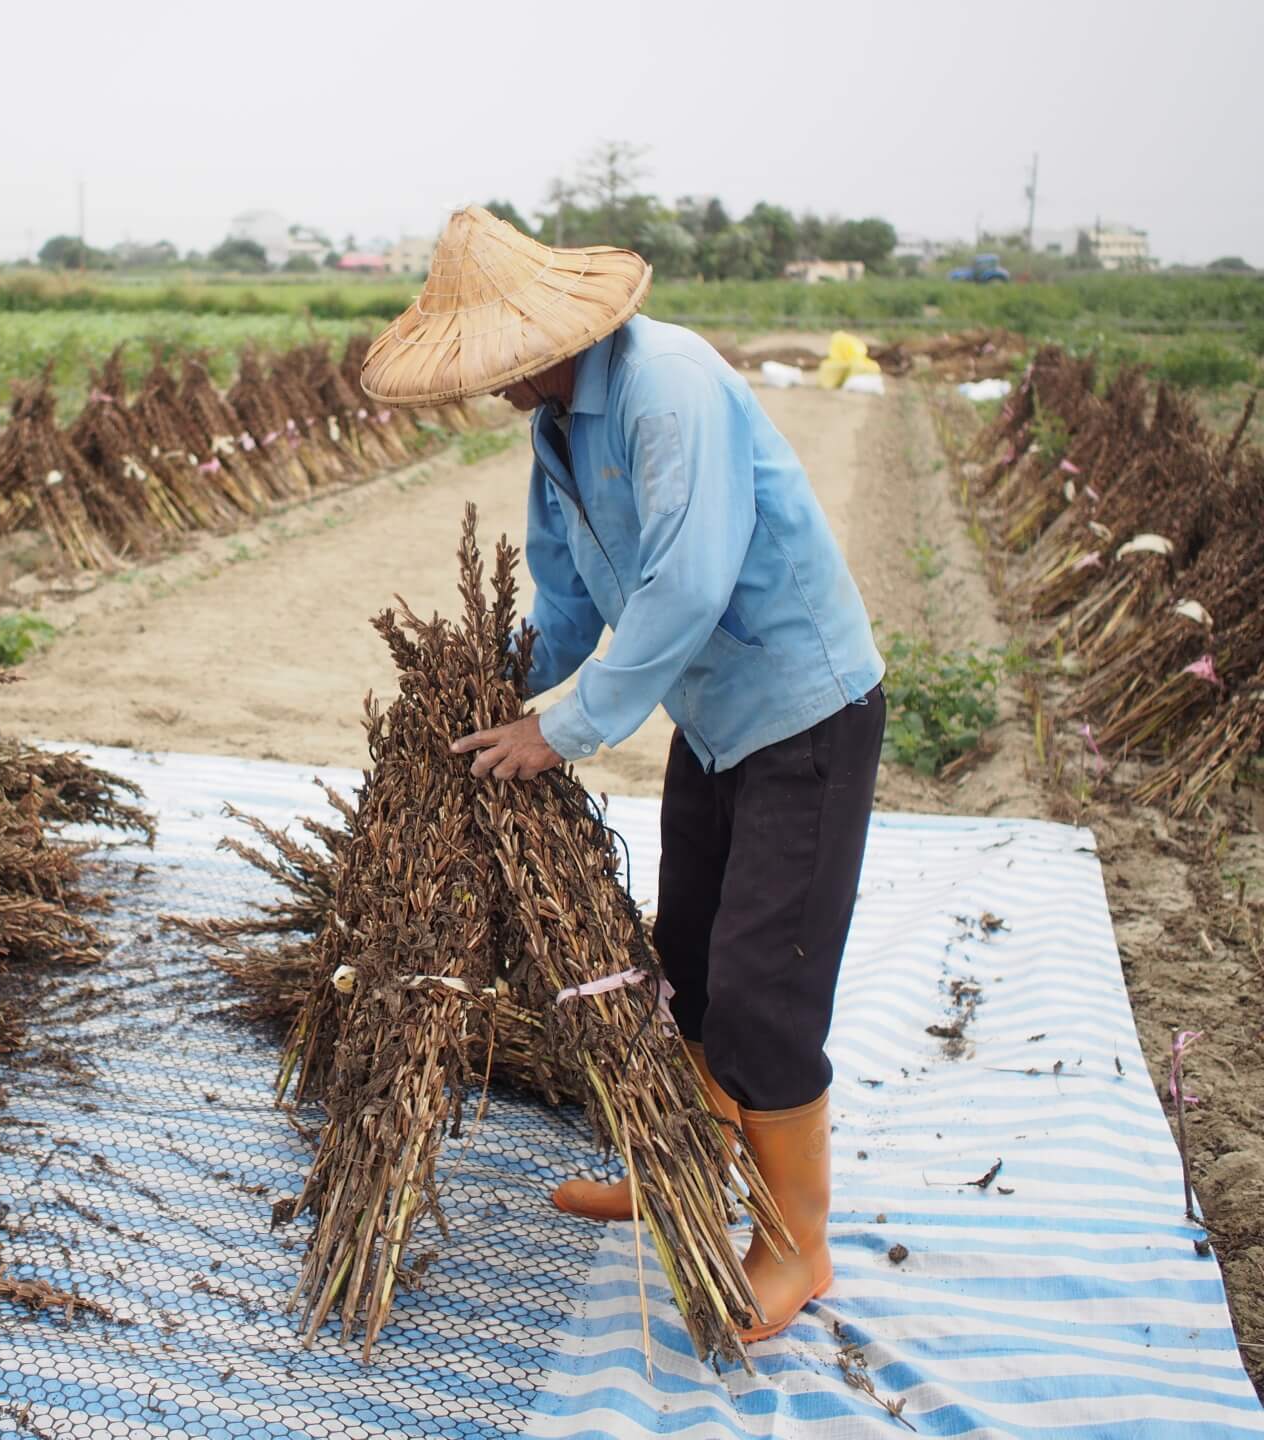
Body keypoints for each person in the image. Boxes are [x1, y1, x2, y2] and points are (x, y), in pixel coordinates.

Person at [359, 206, 885, 1344]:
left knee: (764, 989)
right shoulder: (556, 424)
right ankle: (681, 1173)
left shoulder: (666, 388)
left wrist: (564, 728)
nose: (488, 389)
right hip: (717, 717)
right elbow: (570, 598)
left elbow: (689, 585)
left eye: (497, 366)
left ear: (552, 335)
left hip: (805, 708)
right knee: (686, 960)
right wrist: (490, 687)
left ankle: (799, 1246)